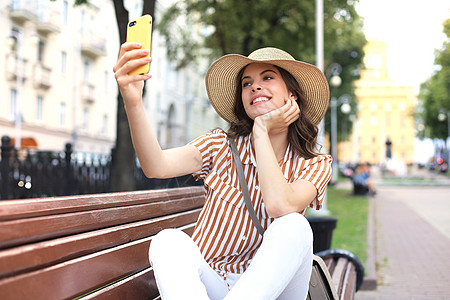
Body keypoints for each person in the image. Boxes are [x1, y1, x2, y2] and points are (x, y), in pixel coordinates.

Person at [113, 44, 332, 299]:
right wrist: (133, 102)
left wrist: (261, 131)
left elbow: (279, 206)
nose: (255, 87)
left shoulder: (314, 164)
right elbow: (156, 165)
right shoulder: (220, 147)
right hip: (213, 285)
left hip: (275, 292)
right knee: (168, 242)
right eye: (246, 83)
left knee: (295, 225)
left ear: (292, 95)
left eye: (268, 77)